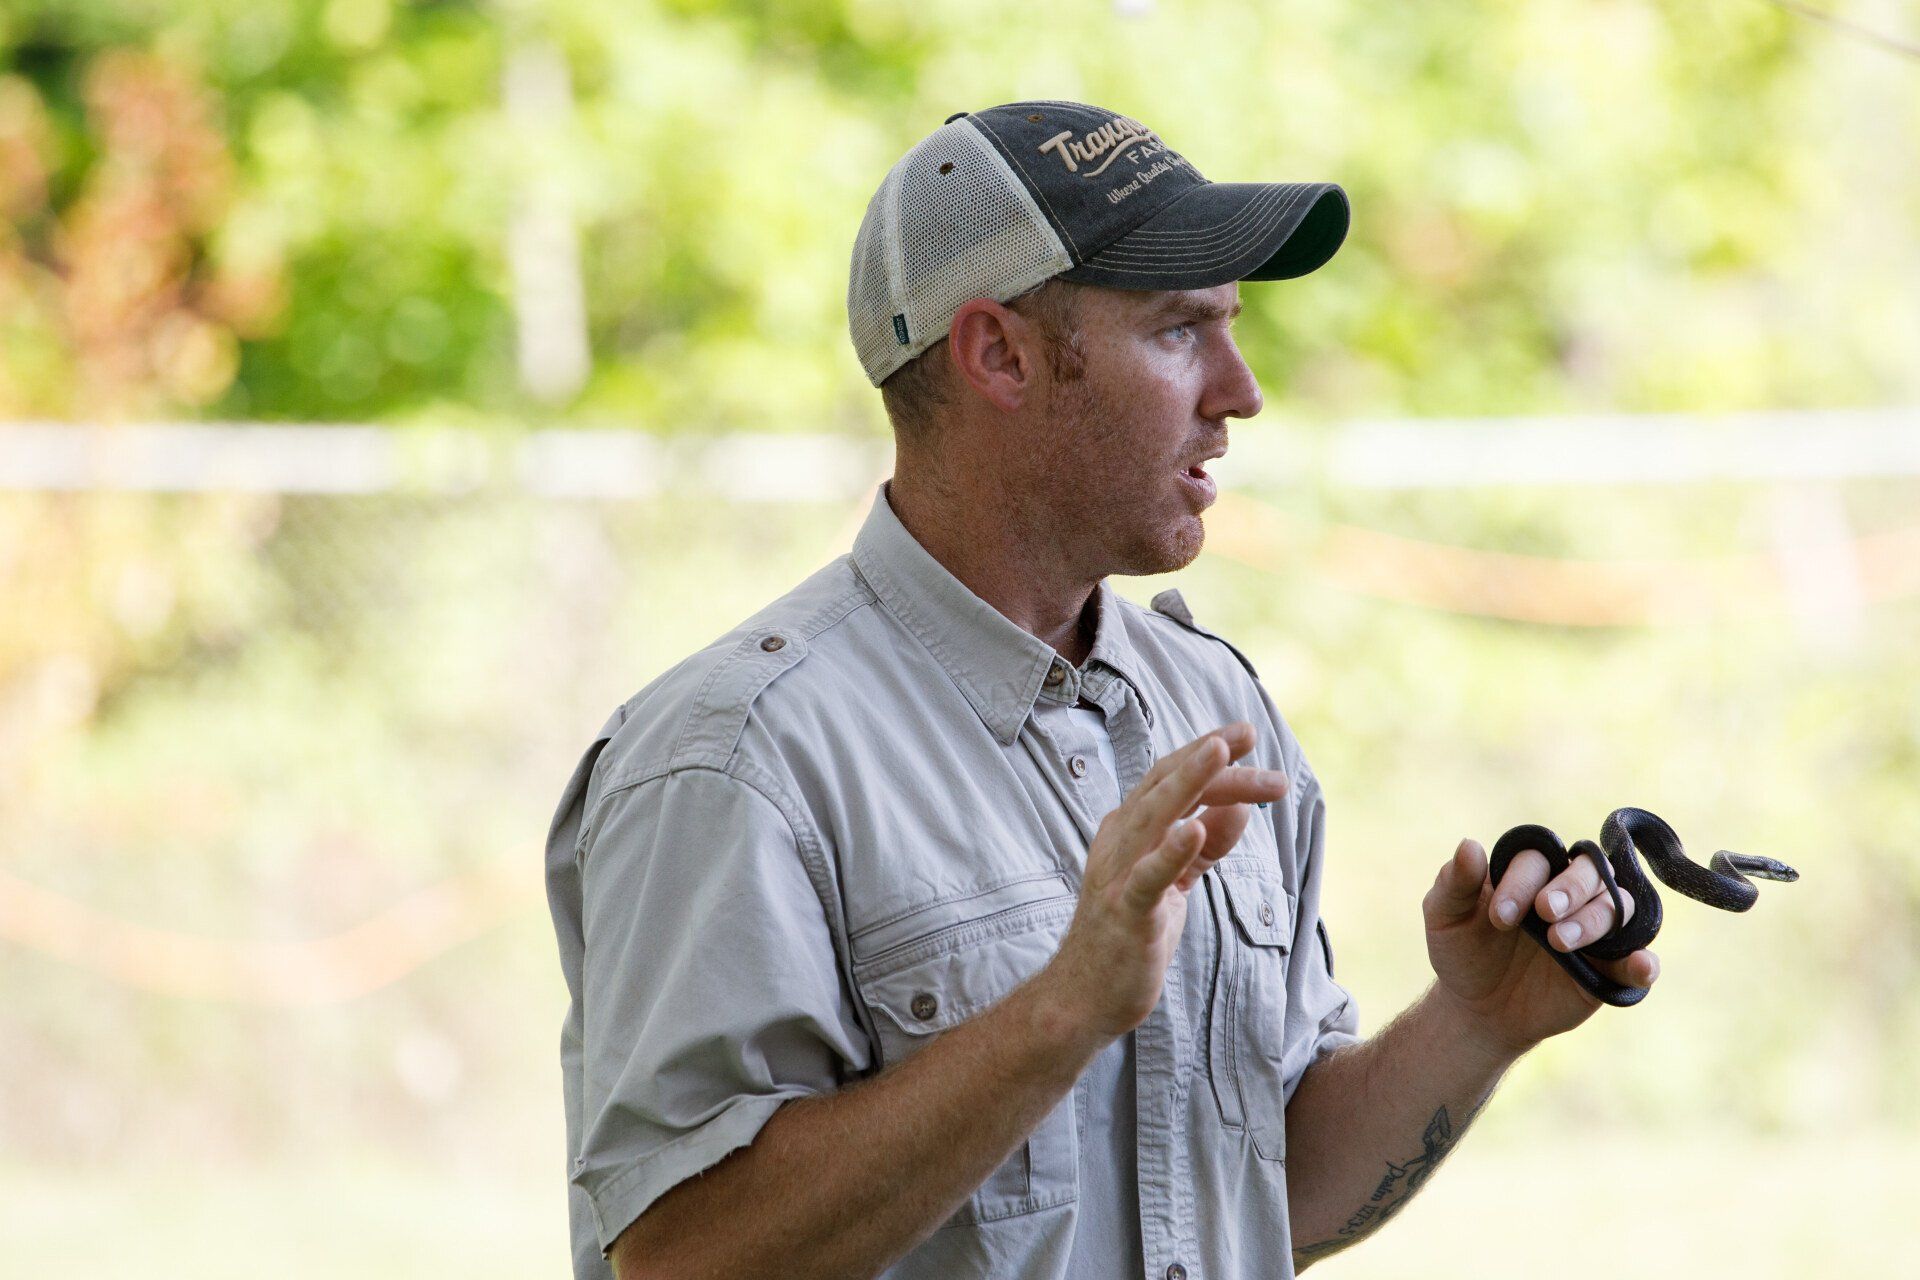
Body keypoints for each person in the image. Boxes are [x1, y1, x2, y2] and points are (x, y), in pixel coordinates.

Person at [543, 99, 1660, 1280]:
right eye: (1182, 329)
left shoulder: (1211, 701)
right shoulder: (736, 757)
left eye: (1231, 327)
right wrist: (1061, 1009)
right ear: (999, 355)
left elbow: (1270, 1189)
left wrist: (1480, 1020)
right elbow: (679, 1257)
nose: (1240, 390)